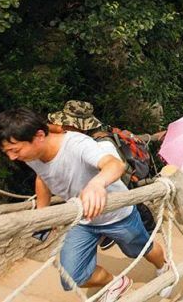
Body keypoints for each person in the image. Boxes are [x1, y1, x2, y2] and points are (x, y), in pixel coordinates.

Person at [0, 108, 170, 301]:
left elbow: (115, 164)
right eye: (7, 152)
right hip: (82, 219)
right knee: (72, 277)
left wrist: (96, 184)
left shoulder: (76, 144)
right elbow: (43, 177)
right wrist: (43, 214)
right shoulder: (32, 154)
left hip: (116, 214)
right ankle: (115, 283)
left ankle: (164, 268)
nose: (12, 157)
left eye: (14, 150)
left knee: (142, 250)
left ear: (39, 136)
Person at [47, 100, 158, 251]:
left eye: (66, 124)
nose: (62, 128)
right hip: (111, 198)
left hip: (118, 197)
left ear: (77, 126)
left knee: (142, 243)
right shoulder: (83, 139)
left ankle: (157, 256)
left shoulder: (101, 143)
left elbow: (116, 171)